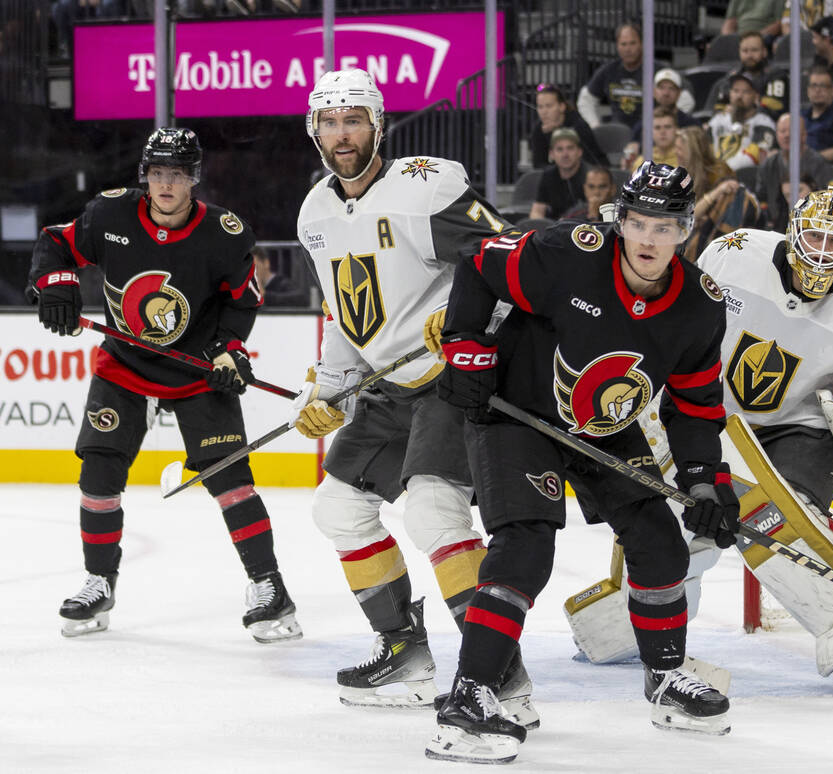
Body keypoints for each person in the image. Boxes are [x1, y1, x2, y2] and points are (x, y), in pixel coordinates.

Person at [426, 162, 736, 763]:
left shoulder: (699, 305)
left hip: (606, 428)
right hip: (519, 411)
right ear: (620, 221)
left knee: (661, 543)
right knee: (525, 547)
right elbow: (477, 264)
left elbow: (697, 406)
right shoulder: (567, 251)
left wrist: (706, 483)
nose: (649, 239)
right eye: (639, 223)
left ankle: (666, 679)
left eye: (665, 226)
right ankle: (469, 697)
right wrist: (466, 348)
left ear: (686, 231)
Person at [292, 69, 536, 721]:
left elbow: (504, 263)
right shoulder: (315, 212)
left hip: (450, 377)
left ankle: (502, 679)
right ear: (313, 130)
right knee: (338, 511)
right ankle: (404, 649)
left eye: (354, 119)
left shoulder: (425, 186)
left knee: (434, 514)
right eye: (329, 121)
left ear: (379, 124)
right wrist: (330, 391)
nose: (342, 134)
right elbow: (347, 316)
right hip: (388, 389)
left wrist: (466, 314)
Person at [28, 127, 302, 643]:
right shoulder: (109, 215)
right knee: (99, 472)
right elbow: (54, 244)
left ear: (194, 177)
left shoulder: (224, 231)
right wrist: (57, 287)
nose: (166, 184)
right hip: (124, 365)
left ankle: (270, 587)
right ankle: (98, 581)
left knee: (231, 481)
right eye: (157, 172)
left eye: (177, 173)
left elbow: (242, 300)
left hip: (197, 371)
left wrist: (230, 349)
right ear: (144, 176)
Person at [692, 184, 833, 689]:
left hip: (801, 426)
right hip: (709, 417)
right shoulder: (733, 255)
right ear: (792, 233)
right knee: (686, 522)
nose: (822, 253)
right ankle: (642, 613)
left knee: (778, 518)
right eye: (814, 237)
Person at [577, 22, 694, 128]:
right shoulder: (608, 70)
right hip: (618, 134)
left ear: (642, 44)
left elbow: (686, 97)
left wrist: (669, 122)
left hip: (650, 133)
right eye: (623, 44)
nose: (628, 49)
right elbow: (585, 99)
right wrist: (595, 125)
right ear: (617, 46)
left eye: (633, 43)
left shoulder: (659, 70)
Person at [675, 125, 763, 260]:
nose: (676, 153)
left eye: (680, 149)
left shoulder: (720, 172)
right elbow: (682, 217)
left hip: (715, 237)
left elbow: (691, 216)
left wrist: (708, 204)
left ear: (693, 150)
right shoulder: (680, 175)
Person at [754, 112, 833, 230]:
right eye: (782, 131)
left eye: (792, 131)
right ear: (776, 135)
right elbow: (761, 198)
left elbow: (830, 200)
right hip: (776, 227)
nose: (787, 135)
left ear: (804, 136)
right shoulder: (768, 165)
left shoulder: (818, 163)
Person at [706, 69, 779, 171]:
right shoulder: (717, 121)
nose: (739, 96)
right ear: (730, 94)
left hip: (747, 177)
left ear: (755, 96)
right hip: (716, 175)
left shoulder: (764, 123)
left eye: (745, 92)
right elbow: (705, 151)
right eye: (735, 91)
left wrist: (725, 170)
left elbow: (757, 154)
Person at [708, 31, 791, 119]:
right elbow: (718, 107)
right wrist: (724, 112)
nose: (749, 55)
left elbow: (774, 110)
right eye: (745, 51)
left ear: (764, 52)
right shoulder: (732, 76)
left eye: (754, 50)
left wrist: (743, 113)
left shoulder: (775, 75)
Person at [528, 84, 606, 170]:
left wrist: (554, 132)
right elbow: (539, 165)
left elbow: (588, 159)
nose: (544, 112)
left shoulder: (578, 125)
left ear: (562, 107)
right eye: (540, 107)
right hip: (560, 175)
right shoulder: (539, 129)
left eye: (549, 106)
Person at [529, 128, 589, 220]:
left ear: (579, 152)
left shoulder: (591, 175)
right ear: (551, 154)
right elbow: (537, 211)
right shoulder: (548, 175)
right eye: (559, 149)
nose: (565, 154)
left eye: (570, 148)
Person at [722, 0, 787, 38]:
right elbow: (730, 21)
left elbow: (779, 24)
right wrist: (727, 39)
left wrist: (754, 38)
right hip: (738, 36)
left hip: (764, 36)